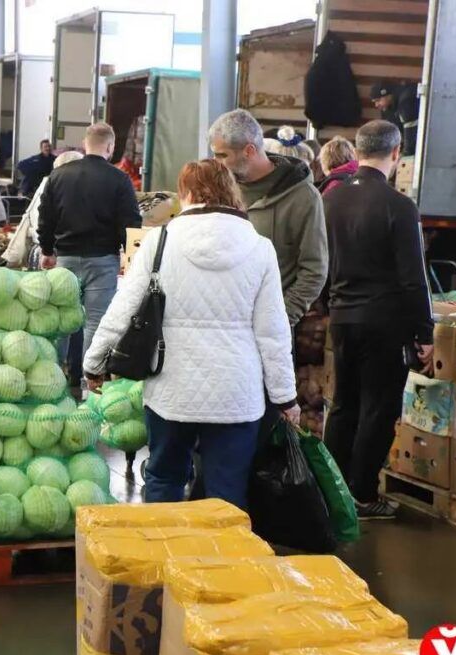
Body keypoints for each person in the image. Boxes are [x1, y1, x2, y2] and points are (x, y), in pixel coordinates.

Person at [84, 159, 300, 508]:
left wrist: (94, 363)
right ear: (231, 191)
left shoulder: (159, 242)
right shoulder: (260, 248)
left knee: (164, 478)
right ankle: (219, 544)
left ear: (185, 193)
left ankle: (163, 543)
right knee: (227, 491)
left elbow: (122, 308)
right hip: (236, 394)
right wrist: (285, 397)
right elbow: (273, 332)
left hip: (171, 390)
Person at [323, 120, 434, 520]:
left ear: (356, 151)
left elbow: (321, 263)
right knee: (378, 408)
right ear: (396, 152)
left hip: (342, 318)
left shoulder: (330, 200)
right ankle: (362, 495)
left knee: (343, 405)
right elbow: (413, 278)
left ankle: (331, 491)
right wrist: (425, 332)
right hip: (384, 322)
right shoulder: (399, 206)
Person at [209, 109, 328, 327]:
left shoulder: (303, 197)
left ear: (249, 150)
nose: (216, 163)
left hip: (270, 331)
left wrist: (279, 320)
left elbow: (314, 270)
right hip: (220, 327)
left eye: (222, 155)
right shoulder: (220, 191)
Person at [37, 123, 141, 357]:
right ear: (110, 147)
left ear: (85, 144)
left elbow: (46, 217)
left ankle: (55, 370)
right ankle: (89, 376)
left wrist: (47, 250)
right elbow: (130, 224)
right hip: (103, 260)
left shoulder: (58, 175)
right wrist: (130, 258)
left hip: (65, 260)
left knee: (61, 320)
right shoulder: (119, 179)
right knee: (95, 323)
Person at [2, 151, 83, 268]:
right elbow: (46, 222)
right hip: (53, 254)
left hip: (43, 250)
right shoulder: (61, 188)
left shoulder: (49, 184)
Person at [371, 81, 420, 156]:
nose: (376, 105)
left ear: (388, 95)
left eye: (378, 100)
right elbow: (390, 131)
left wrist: (406, 154)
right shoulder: (388, 106)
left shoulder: (406, 100)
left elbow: (411, 133)